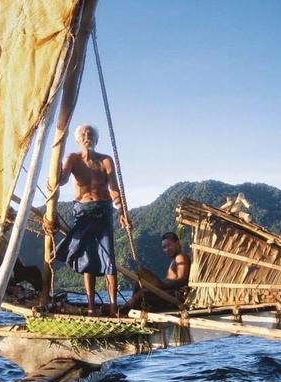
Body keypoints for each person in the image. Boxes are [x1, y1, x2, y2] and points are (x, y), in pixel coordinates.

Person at [55, 124, 128, 316]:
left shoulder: (105, 161)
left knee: (108, 259)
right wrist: (55, 171)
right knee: (87, 259)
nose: (87, 137)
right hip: (82, 210)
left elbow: (114, 188)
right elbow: (61, 181)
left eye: (91, 135)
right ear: (78, 139)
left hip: (103, 210)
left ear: (96, 139)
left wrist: (122, 211)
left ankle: (113, 306)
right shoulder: (72, 159)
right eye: (84, 134)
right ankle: (90, 305)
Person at [124, 231, 190, 311]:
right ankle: (128, 306)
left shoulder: (181, 257)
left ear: (177, 243)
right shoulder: (176, 259)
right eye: (164, 247)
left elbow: (182, 280)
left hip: (172, 293)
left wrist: (163, 286)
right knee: (142, 289)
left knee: (141, 271)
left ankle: (127, 308)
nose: (167, 249)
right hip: (167, 290)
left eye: (169, 245)